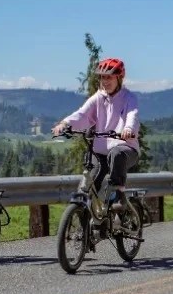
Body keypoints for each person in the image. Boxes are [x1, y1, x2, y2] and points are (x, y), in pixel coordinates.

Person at [51, 57, 139, 211]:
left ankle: (118, 194)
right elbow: (82, 114)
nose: (105, 81)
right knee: (88, 188)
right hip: (100, 153)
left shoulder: (129, 98)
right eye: (102, 77)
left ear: (119, 78)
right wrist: (65, 124)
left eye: (109, 77)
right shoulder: (98, 98)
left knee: (116, 154)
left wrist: (128, 129)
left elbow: (132, 114)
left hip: (125, 149)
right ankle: (85, 229)